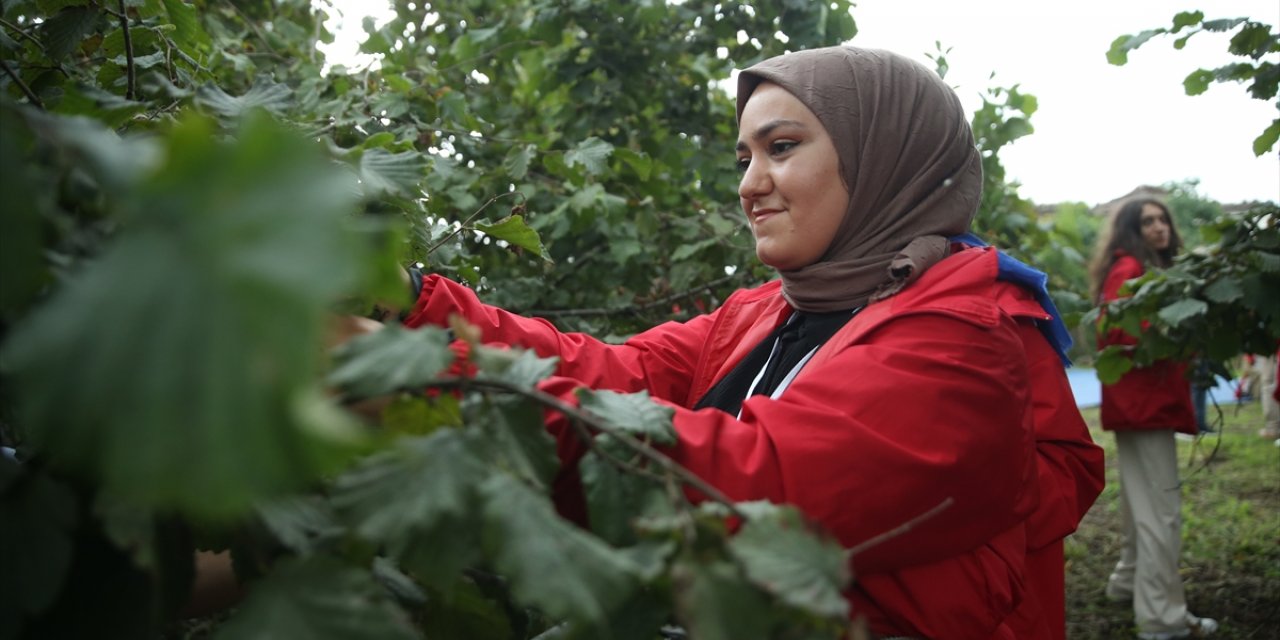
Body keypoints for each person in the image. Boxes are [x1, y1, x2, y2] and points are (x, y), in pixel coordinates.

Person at [400, 46, 1102, 639]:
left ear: (886, 155)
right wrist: (414, 305)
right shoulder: (769, 311)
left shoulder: (963, 338)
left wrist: (439, 381)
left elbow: (755, 485)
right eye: (744, 156)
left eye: (782, 148)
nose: (749, 184)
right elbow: (620, 372)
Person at [1090, 198, 1218, 639]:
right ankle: (1162, 619)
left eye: (1163, 219)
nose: (1160, 227)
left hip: (1141, 405)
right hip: (1145, 407)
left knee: (1139, 502)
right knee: (1161, 511)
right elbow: (1120, 331)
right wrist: (1180, 329)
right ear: (1131, 229)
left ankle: (1127, 582)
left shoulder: (1140, 269)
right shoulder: (1130, 270)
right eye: (1148, 221)